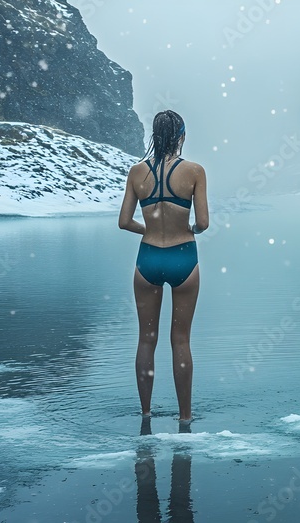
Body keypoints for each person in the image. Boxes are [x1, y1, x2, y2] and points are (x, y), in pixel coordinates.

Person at [119, 110, 209, 424]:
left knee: (146, 339)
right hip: (183, 257)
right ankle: (185, 417)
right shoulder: (194, 171)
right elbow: (203, 223)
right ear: (181, 135)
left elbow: (124, 222)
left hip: (148, 259)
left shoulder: (136, 172)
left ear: (154, 136)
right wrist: (189, 230)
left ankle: (146, 413)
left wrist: (151, 230)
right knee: (180, 339)